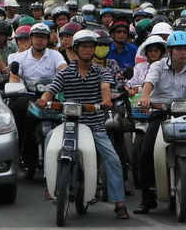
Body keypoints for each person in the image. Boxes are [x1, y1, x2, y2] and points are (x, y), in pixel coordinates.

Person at [35, 29, 129, 219]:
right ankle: (49, 183)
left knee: (113, 159)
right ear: (76, 49)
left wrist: (106, 100)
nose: (87, 50)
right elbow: (51, 90)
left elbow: (105, 88)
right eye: (84, 46)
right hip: (68, 123)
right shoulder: (65, 73)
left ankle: (119, 202)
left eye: (91, 47)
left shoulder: (101, 71)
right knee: (50, 140)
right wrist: (44, 99)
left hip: (94, 125)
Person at [134, 31, 186, 214]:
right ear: (170, 51)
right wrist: (145, 97)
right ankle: (147, 199)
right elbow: (149, 83)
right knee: (146, 151)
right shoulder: (157, 66)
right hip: (161, 113)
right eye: (179, 48)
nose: (183, 52)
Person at [7, 23, 66, 176]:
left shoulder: (56, 55)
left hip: (52, 94)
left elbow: (63, 71)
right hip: (29, 94)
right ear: (31, 39)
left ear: (48, 40)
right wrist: (16, 87)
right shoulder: (20, 57)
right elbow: (14, 77)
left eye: (43, 37)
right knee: (18, 109)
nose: (40, 40)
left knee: (69, 114)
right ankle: (21, 153)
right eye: (36, 37)